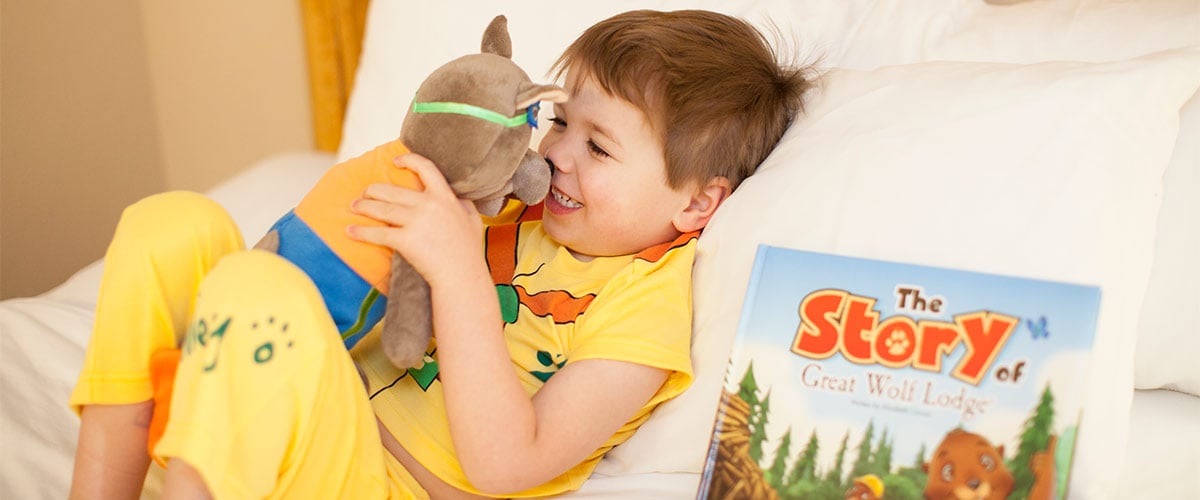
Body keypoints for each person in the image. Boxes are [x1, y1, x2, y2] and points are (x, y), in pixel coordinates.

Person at [68, 9, 813, 499]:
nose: (555, 153)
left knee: (258, 294)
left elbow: (507, 463)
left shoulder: (647, 300)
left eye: (599, 146)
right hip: (284, 415)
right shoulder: (510, 203)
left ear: (697, 203)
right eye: (558, 122)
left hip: (377, 482)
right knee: (174, 224)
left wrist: (458, 268)